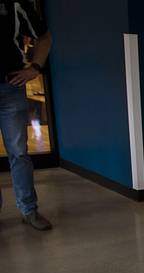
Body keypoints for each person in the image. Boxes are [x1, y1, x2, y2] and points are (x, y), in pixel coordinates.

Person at [0, 0, 53, 230]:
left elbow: (44, 37)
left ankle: (29, 210)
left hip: (10, 87)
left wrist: (35, 68)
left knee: (19, 152)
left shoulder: (13, 3)